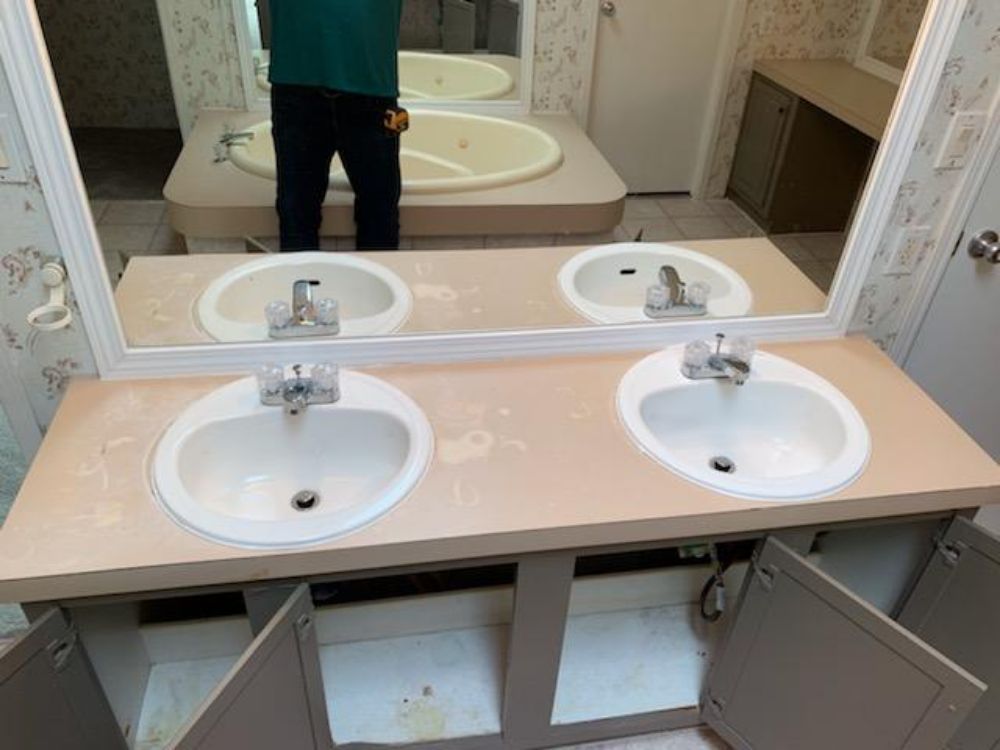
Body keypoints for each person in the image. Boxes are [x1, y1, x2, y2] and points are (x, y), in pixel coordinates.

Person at [269, 0, 405, 251]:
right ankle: (302, 287)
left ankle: (375, 290)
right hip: (298, 90)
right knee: (296, 214)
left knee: (379, 214)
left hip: (370, 93)